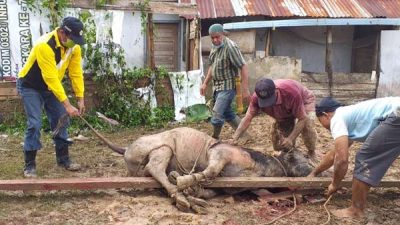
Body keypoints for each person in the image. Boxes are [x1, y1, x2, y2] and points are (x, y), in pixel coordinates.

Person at [17, 16, 86, 178]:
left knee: (61, 119)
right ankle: (30, 165)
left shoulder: (74, 48)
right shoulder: (44, 45)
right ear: (62, 32)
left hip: (51, 88)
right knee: (35, 123)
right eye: (72, 38)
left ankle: (63, 159)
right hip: (30, 86)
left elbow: (76, 73)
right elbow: (51, 78)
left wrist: (80, 98)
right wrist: (68, 105)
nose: (74, 43)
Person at [309, 97, 400, 218]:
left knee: (364, 158)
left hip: (397, 113)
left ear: (326, 115)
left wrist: (335, 184)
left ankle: (355, 210)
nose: (325, 127)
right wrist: (314, 173)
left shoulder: (337, 118)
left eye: (321, 122)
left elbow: (341, 160)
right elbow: (334, 154)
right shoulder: (351, 118)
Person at [233, 78, 317, 156]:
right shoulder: (256, 98)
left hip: (304, 100)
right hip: (284, 111)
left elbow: (303, 118)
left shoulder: (291, 93)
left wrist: (291, 138)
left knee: (307, 126)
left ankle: (311, 152)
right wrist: (235, 138)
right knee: (282, 142)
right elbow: (248, 118)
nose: (268, 103)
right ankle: (290, 154)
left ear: (276, 90)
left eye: (270, 99)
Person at [200, 23, 250, 139]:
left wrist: (245, 88)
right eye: (212, 38)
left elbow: (243, 66)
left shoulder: (231, 47)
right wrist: (205, 83)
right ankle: (245, 136)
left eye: (218, 37)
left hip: (227, 87)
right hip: (217, 87)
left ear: (223, 34)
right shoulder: (214, 46)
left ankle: (215, 138)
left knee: (217, 115)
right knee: (228, 113)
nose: (215, 40)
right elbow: (212, 66)